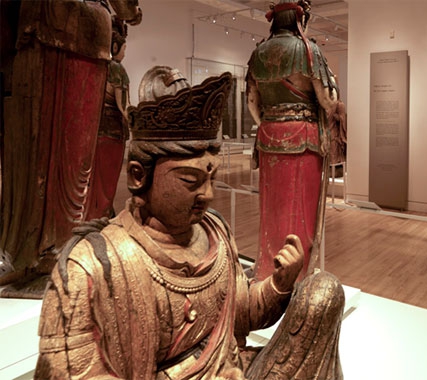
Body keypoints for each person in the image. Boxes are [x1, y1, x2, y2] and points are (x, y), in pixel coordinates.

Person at [35, 70, 345, 379]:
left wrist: (279, 284)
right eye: (189, 181)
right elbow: (67, 371)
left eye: (212, 178)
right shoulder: (91, 266)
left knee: (323, 293)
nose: (207, 195)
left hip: (231, 369)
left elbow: (243, 314)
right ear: (138, 176)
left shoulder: (214, 232)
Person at [0, 0, 142, 290]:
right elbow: (129, 10)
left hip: (39, 28)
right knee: (47, 154)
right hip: (70, 31)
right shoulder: (116, 68)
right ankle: (35, 251)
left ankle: (38, 250)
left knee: (44, 154)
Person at [246, 0, 346, 282]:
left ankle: (267, 271)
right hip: (304, 139)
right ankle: (296, 277)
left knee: (272, 211)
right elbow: (328, 101)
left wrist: (271, 122)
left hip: (268, 137)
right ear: (299, 17)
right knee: (300, 214)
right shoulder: (308, 51)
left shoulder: (258, 53)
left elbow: (253, 103)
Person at [85, 16, 132, 220]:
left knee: (95, 176)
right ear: (115, 45)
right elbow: (123, 106)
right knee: (108, 177)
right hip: (112, 131)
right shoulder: (116, 68)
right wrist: (136, 121)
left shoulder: (98, 65)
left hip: (95, 128)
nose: (125, 52)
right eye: (124, 48)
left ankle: (93, 212)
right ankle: (102, 214)